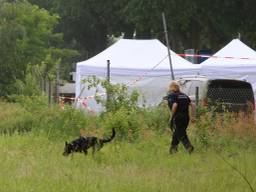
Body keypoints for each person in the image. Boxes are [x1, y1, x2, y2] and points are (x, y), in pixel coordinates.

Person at [166, 81, 196, 154]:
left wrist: (171, 117)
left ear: (171, 88)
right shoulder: (184, 95)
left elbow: (175, 105)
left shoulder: (172, 95)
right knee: (178, 132)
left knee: (180, 133)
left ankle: (189, 147)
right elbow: (193, 105)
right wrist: (193, 116)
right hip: (186, 117)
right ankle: (173, 149)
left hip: (178, 117)